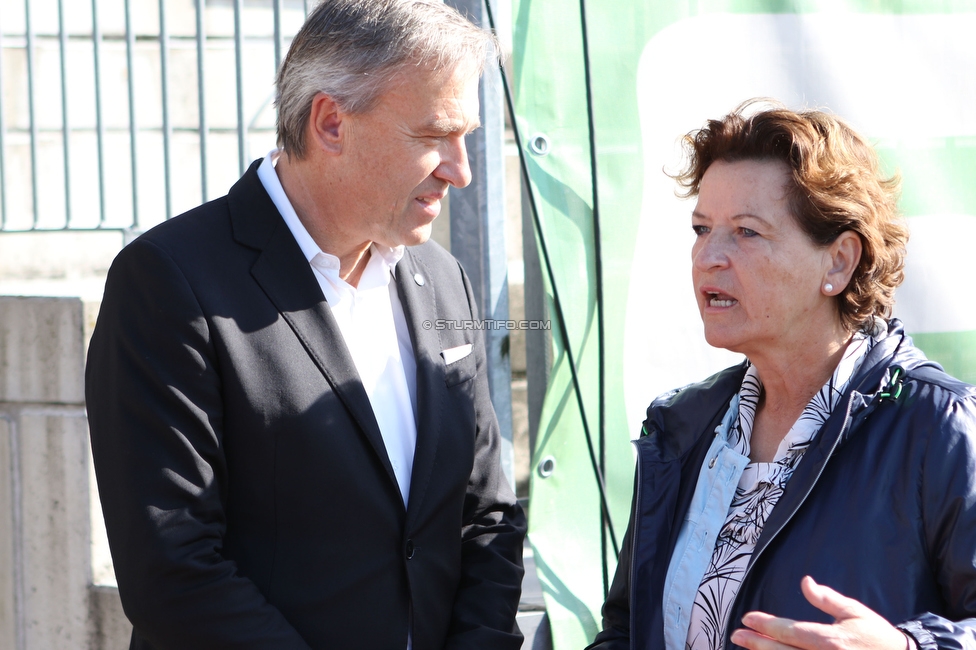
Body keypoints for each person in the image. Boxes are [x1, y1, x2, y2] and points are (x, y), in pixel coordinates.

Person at [85, 1, 526, 648]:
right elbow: (174, 571)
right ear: (330, 123)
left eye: (468, 138)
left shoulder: (443, 278)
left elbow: (486, 517)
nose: (460, 170)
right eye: (435, 135)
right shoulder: (169, 283)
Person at [587, 100, 976, 650]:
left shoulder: (940, 426)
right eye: (702, 228)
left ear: (838, 262)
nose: (708, 257)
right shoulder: (684, 427)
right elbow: (628, 630)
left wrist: (908, 648)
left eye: (746, 232)